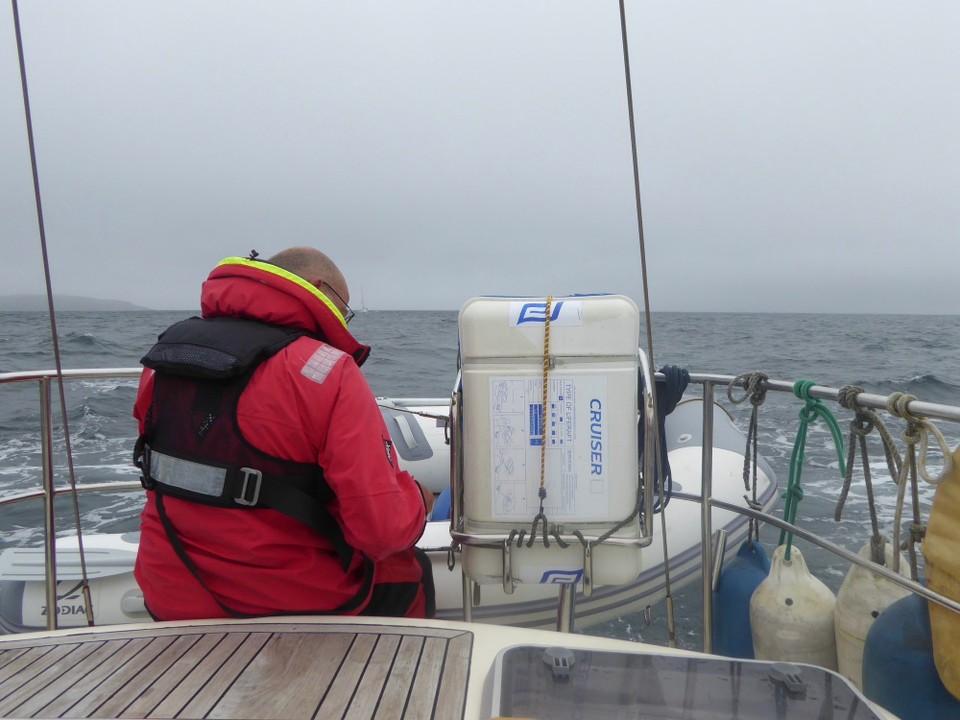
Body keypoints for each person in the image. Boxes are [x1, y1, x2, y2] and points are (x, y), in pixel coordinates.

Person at [132, 248, 435, 620]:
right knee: (410, 570)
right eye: (345, 309)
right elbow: (380, 531)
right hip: (285, 600)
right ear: (319, 288)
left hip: (167, 586)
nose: (345, 320)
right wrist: (419, 502)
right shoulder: (328, 371)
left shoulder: (166, 358)